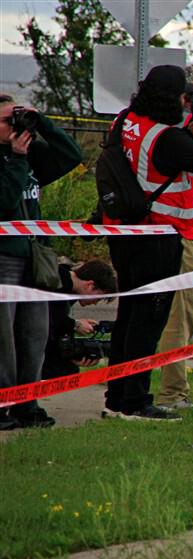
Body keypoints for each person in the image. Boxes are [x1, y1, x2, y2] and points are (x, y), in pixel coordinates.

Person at [102, 65, 193, 421]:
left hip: (124, 232)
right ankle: (136, 401)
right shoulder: (166, 138)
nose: (186, 103)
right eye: (183, 97)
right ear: (173, 98)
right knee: (149, 321)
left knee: (128, 316)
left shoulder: (125, 120)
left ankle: (116, 397)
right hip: (159, 236)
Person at [0, 93, 83, 430]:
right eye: (9, 120)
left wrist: (42, 121)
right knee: (3, 337)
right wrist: (17, 158)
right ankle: (4, 402)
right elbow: (5, 201)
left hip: (35, 258)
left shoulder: (32, 153)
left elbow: (71, 156)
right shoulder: (15, 158)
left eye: (18, 117)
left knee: (35, 334)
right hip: (4, 256)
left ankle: (27, 402)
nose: (15, 126)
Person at [156, 65, 193, 410]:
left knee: (180, 317)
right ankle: (171, 393)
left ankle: (170, 390)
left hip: (185, 227)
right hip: (177, 232)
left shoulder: (187, 132)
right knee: (179, 317)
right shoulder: (175, 134)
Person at [42, 260, 117, 381]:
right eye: (97, 298)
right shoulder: (56, 284)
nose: (94, 303)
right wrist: (75, 324)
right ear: (90, 285)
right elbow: (46, 319)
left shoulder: (63, 283)